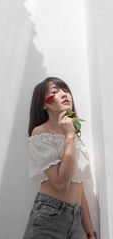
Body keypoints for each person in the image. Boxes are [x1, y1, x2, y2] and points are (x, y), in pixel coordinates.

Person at [23, 77, 97, 239]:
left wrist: (91, 233)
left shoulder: (74, 137)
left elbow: (79, 187)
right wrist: (69, 136)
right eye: (55, 92)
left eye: (65, 90)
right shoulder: (41, 133)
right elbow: (61, 183)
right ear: (44, 104)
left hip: (75, 219)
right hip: (50, 216)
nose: (64, 94)